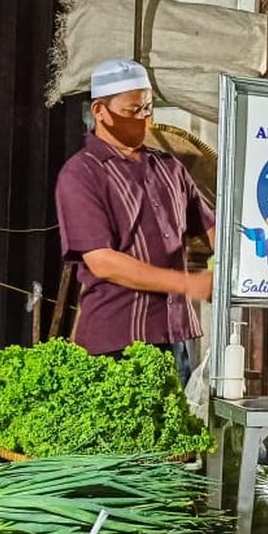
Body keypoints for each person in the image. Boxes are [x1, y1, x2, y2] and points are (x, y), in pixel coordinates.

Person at [55, 59, 214, 385]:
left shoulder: (169, 168)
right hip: (117, 343)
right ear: (100, 111)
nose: (144, 119)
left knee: (171, 432)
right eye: (132, 110)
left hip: (175, 337)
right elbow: (102, 262)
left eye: (148, 108)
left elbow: (212, 230)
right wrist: (187, 283)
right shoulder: (82, 173)